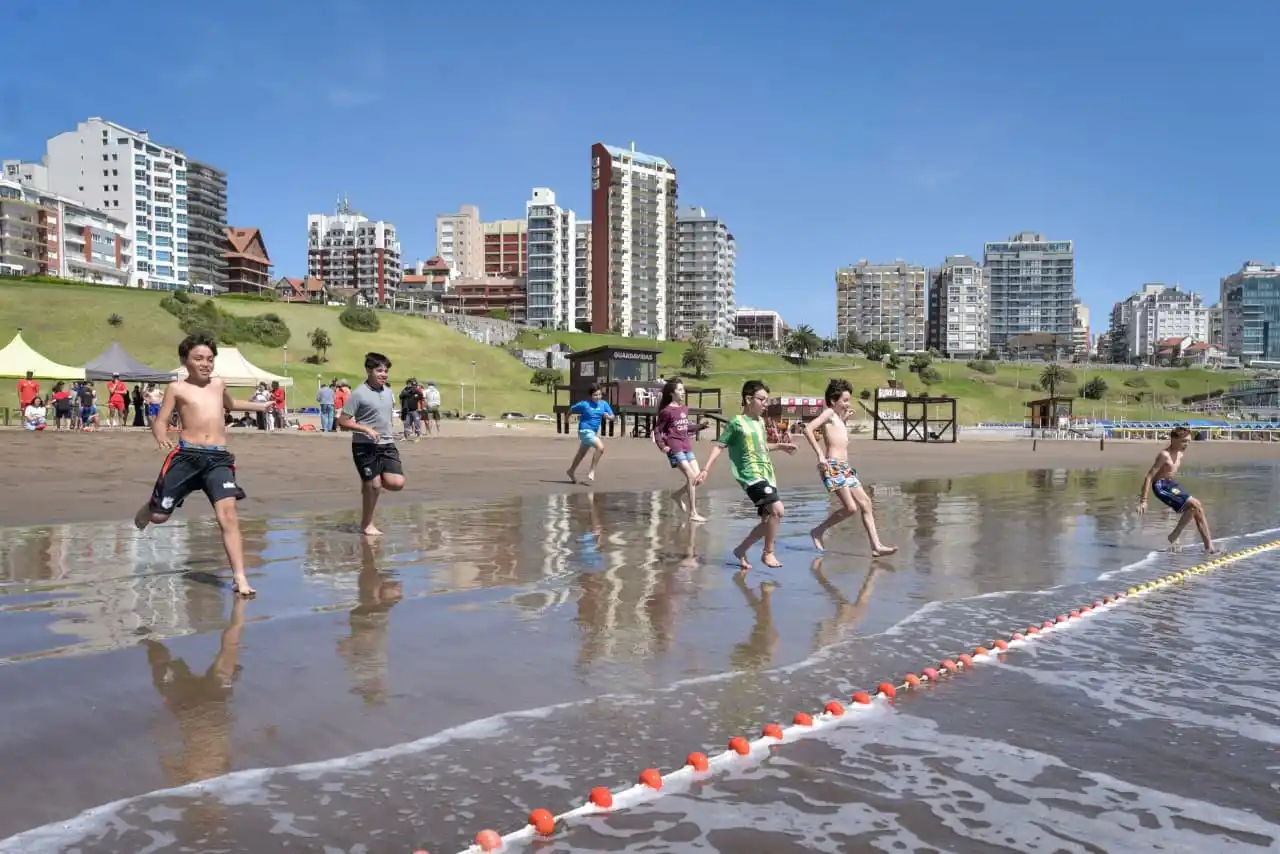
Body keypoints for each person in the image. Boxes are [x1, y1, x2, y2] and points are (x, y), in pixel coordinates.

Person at [133, 333, 275, 597]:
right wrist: (161, 434)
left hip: (218, 459)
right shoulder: (177, 388)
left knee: (229, 516)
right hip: (186, 457)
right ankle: (150, 505)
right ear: (184, 361)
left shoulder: (219, 384)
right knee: (159, 517)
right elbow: (161, 419)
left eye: (210, 359)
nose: (205, 364)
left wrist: (261, 406)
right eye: (198, 358)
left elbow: (231, 405)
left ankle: (239, 578)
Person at [695, 380, 796, 570]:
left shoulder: (759, 422)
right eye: (762, 399)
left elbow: (761, 447)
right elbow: (719, 446)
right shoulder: (736, 423)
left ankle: (741, 550)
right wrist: (705, 469)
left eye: (767, 400)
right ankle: (768, 553)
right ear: (749, 399)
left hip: (767, 474)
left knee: (768, 521)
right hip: (751, 476)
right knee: (778, 510)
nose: (766, 404)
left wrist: (781, 446)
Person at [803, 379, 897, 556]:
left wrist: (844, 420)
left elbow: (839, 438)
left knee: (866, 503)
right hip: (832, 467)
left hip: (845, 468)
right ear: (833, 400)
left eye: (849, 400)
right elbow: (808, 429)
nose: (848, 404)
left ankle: (876, 546)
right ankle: (818, 531)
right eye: (845, 400)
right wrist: (820, 455)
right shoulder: (829, 413)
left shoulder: (837, 418)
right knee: (851, 508)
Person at [337, 352, 405, 537]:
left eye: (386, 371)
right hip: (364, 445)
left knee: (397, 483)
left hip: (387, 444)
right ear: (369, 370)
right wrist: (365, 429)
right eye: (379, 371)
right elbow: (342, 421)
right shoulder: (359, 394)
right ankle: (367, 524)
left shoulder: (388, 392)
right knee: (375, 485)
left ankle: (368, 483)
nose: (384, 374)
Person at [1138, 425, 1215, 552]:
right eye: (1184, 441)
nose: (1186, 444)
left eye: (1188, 441)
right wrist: (1144, 500)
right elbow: (1149, 477)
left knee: (1196, 508)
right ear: (1173, 440)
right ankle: (1176, 534)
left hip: (1171, 484)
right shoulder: (1164, 455)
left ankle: (1209, 547)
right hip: (1160, 486)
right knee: (1196, 504)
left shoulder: (1180, 453)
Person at [653, 378, 710, 522]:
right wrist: (662, 446)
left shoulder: (684, 409)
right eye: (680, 390)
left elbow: (686, 427)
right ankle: (693, 513)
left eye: (683, 390)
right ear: (672, 393)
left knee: (698, 479)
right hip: (675, 447)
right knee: (691, 478)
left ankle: (677, 496)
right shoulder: (666, 411)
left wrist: (701, 426)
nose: (682, 392)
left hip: (687, 446)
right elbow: (658, 430)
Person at [566, 384, 617, 484]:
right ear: (590, 396)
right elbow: (571, 409)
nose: (598, 397)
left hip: (592, 433)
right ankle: (592, 470)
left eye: (599, 394)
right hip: (584, 431)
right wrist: (566, 419)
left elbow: (613, 416)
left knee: (581, 454)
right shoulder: (585, 404)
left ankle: (571, 471)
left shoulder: (604, 404)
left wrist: (608, 417)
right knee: (600, 448)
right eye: (595, 395)